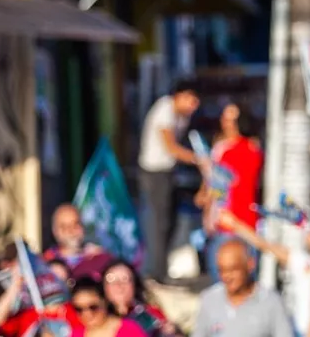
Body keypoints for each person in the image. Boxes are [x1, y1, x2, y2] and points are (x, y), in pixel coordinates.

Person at [138, 83, 200, 284]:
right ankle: (156, 272)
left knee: (170, 221)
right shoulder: (165, 109)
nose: (194, 107)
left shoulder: (182, 116)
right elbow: (171, 146)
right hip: (154, 172)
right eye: (191, 100)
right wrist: (198, 159)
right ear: (179, 96)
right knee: (159, 222)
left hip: (168, 172)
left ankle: (161, 269)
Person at [201, 103, 263, 282]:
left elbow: (219, 189)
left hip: (234, 222)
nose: (227, 124)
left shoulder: (240, 150)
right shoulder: (242, 148)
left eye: (232, 120)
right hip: (233, 222)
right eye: (225, 119)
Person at [191, 240, 293, 337]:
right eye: (222, 270)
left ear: (250, 265)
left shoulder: (271, 302)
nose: (226, 276)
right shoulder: (209, 300)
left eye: (233, 269)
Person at [100, 260, 175, 336]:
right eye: (111, 279)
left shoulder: (151, 315)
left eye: (125, 279)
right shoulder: (95, 316)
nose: (118, 285)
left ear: (134, 285)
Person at [46, 205, 112, 280]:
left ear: (82, 227)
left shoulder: (100, 260)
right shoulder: (44, 263)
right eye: (64, 227)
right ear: (55, 231)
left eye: (76, 224)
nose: (71, 231)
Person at [70, 278, 147, 337]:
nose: (87, 314)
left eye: (93, 307)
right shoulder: (76, 334)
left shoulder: (129, 330)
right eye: (79, 309)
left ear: (105, 302)